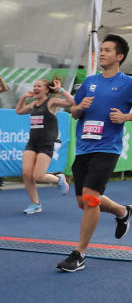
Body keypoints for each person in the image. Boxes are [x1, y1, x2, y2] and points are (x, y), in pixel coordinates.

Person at [56, 35, 132, 273]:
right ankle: (123, 212)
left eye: (107, 50)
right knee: (84, 203)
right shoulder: (89, 82)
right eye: (101, 50)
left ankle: (79, 253)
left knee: (91, 198)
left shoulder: (129, 84)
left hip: (107, 148)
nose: (101, 53)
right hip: (83, 149)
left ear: (119, 56)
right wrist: (79, 107)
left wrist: (125, 117)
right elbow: (74, 112)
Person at [16, 78, 73, 214]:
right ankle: (36, 204)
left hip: (46, 145)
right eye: (34, 85)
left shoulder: (51, 102)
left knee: (38, 176)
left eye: (39, 86)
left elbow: (71, 102)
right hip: (32, 144)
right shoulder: (33, 105)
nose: (35, 88)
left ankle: (58, 178)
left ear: (47, 90)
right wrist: (23, 97)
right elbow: (18, 111)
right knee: (26, 174)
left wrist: (60, 90)